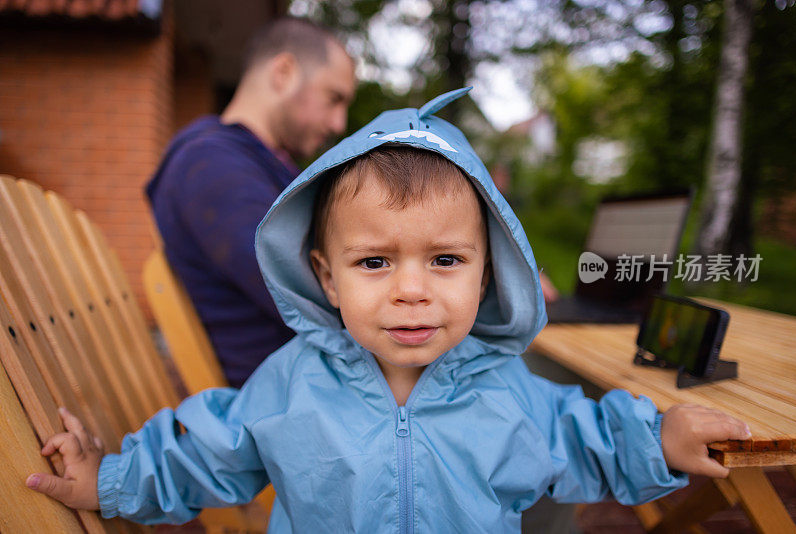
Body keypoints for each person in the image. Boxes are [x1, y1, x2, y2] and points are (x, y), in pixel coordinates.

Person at [27, 89, 750, 532]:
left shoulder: (505, 389)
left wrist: (660, 440)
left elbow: (584, 436)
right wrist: (108, 480)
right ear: (327, 277)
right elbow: (202, 452)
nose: (412, 290)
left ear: (487, 272)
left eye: (445, 260)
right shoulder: (291, 382)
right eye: (375, 262)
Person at [146, 16, 356, 387]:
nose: (339, 122)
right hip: (286, 406)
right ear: (284, 72)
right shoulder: (211, 165)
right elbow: (311, 295)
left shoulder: (256, 164)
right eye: (333, 98)